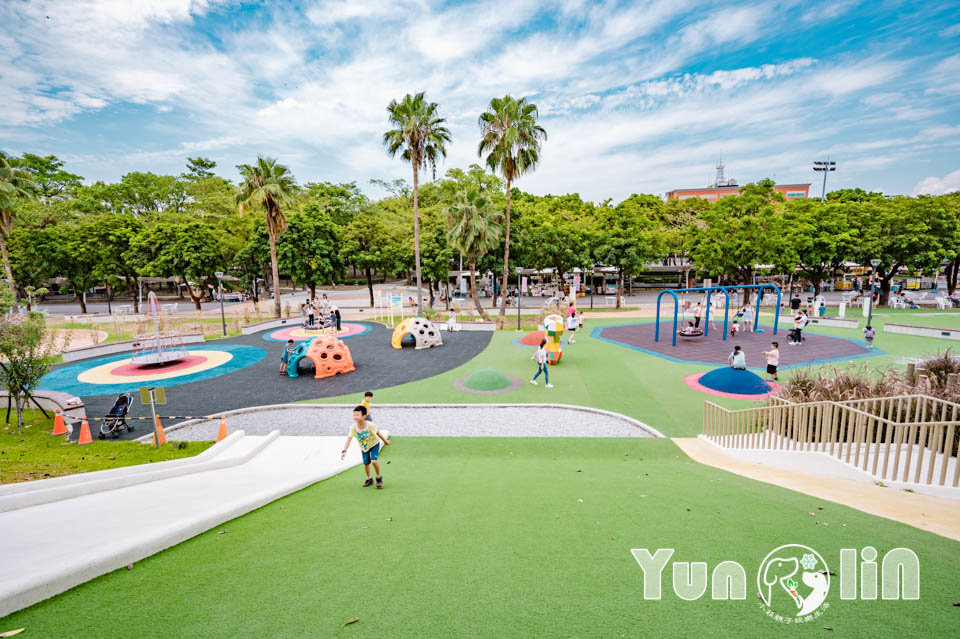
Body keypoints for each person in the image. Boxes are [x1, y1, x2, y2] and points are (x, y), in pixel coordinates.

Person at [340, 405, 390, 488]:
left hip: (374, 444)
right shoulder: (353, 428)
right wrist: (344, 451)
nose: (355, 417)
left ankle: (379, 478)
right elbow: (349, 440)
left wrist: (385, 441)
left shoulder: (370, 425)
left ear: (364, 416)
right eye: (354, 415)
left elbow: (378, 433)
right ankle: (369, 479)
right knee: (366, 463)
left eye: (357, 415)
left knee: (374, 461)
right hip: (364, 447)